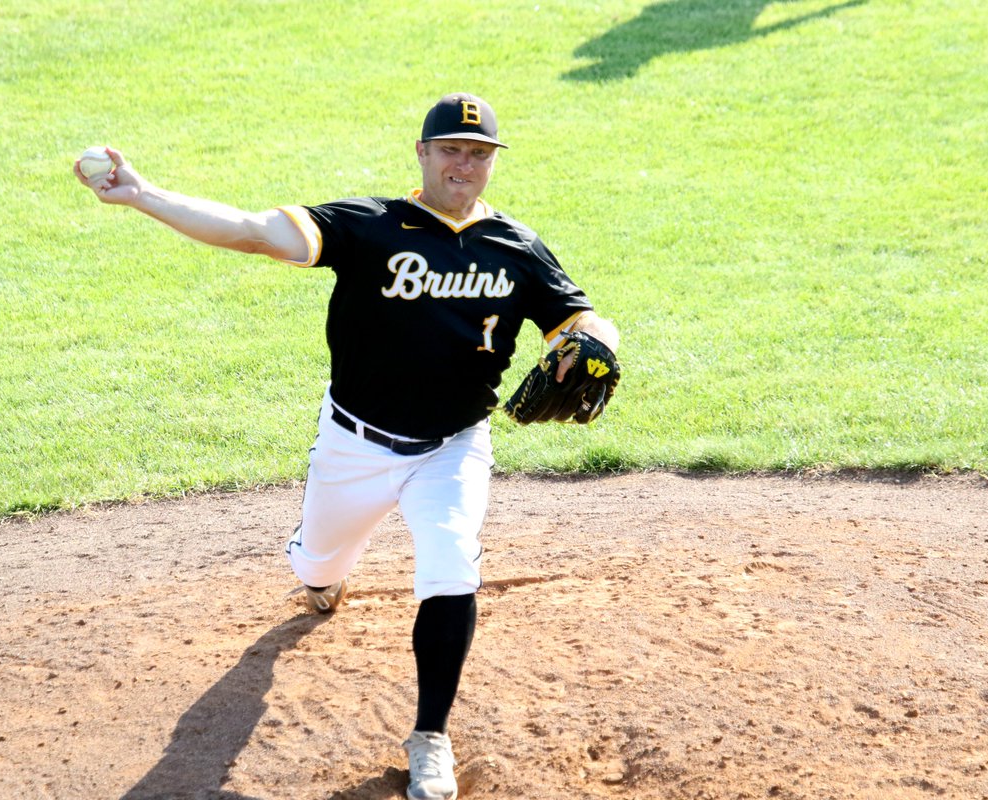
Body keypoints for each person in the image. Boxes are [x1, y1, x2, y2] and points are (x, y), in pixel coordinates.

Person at [74, 92, 619, 800]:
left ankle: (430, 737)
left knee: (451, 562)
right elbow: (252, 231)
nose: (464, 164)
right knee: (319, 567)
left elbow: (583, 319)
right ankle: (321, 574)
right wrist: (144, 195)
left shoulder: (515, 246)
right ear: (421, 153)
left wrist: (598, 341)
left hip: (453, 447)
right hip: (352, 446)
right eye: (450, 150)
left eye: (479, 153)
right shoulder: (368, 227)